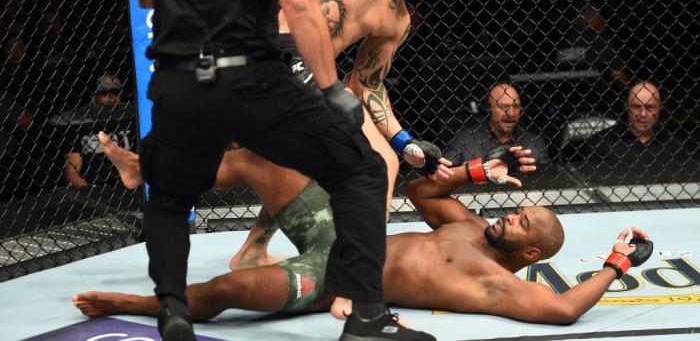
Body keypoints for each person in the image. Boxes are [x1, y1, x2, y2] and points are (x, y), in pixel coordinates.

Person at [119, 0, 463, 339]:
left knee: (315, 160)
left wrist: (404, 143)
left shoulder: (398, 20)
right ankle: (357, 299)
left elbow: (368, 87)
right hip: (277, 54)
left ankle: (196, 281)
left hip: (220, 74)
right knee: (367, 164)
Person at [73, 145, 654, 326]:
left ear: (529, 253)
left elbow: (562, 311)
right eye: (517, 210)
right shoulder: (471, 225)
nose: (508, 218)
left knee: (229, 290)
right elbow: (425, 194)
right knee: (254, 161)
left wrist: (615, 263)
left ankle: (135, 305)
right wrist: (476, 172)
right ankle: (144, 171)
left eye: (521, 223)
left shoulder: (491, 285)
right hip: (343, 231)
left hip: (334, 277)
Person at [579, 80, 689, 164]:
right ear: (627, 107)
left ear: (659, 109)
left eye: (649, 107)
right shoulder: (602, 144)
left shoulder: (673, 145)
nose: (643, 114)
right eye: (636, 107)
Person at [444, 83, 550, 166]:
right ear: (489, 107)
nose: (511, 113)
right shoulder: (464, 139)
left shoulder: (535, 142)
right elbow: (446, 171)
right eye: (504, 107)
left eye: (516, 106)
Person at [64, 75, 132, 188]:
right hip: (96, 191)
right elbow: (71, 174)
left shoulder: (131, 121)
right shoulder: (80, 127)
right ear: (93, 98)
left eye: (115, 93)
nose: (111, 98)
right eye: (105, 94)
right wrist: (93, 194)